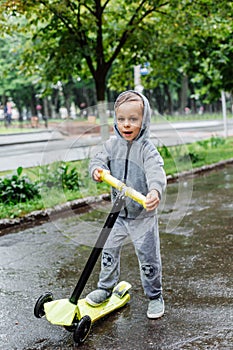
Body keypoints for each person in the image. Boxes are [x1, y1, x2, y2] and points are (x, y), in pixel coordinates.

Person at [86, 90, 167, 319]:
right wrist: (97, 170)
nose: (126, 124)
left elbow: (156, 173)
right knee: (108, 251)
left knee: (148, 257)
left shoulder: (147, 150)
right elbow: (98, 159)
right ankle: (105, 287)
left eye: (133, 119)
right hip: (118, 214)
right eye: (121, 119)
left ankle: (154, 296)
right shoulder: (112, 145)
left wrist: (154, 191)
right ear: (115, 120)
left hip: (143, 214)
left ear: (144, 120)